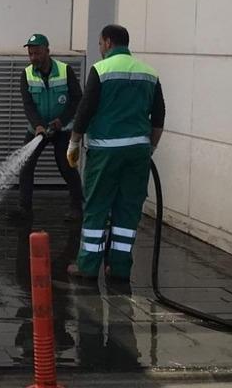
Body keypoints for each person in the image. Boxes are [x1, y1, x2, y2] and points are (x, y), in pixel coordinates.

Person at [66, 24, 166, 281]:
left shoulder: (102, 70)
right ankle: (119, 267)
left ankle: (88, 266)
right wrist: (149, 148)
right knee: (128, 208)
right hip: (138, 153)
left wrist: (74, 142)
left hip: (106, 152)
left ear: (108, 42)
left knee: (98, 206)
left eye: (100, 44)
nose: (99, 49)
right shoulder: (149, 73)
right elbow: (159, 117)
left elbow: (85, 109)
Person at [11, 34, 84, 221]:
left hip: (63, 128)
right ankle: (24, 209)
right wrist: (38, 126)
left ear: (47, 51)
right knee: (26, 165)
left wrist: (62, 120)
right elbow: (28, 105)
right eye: (30, 54)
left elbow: (77, 99)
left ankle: (77, 207)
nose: (33, 57)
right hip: (38, 129)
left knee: (66, 166)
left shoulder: (65, 70)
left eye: (37, 53)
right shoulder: (26, 74)